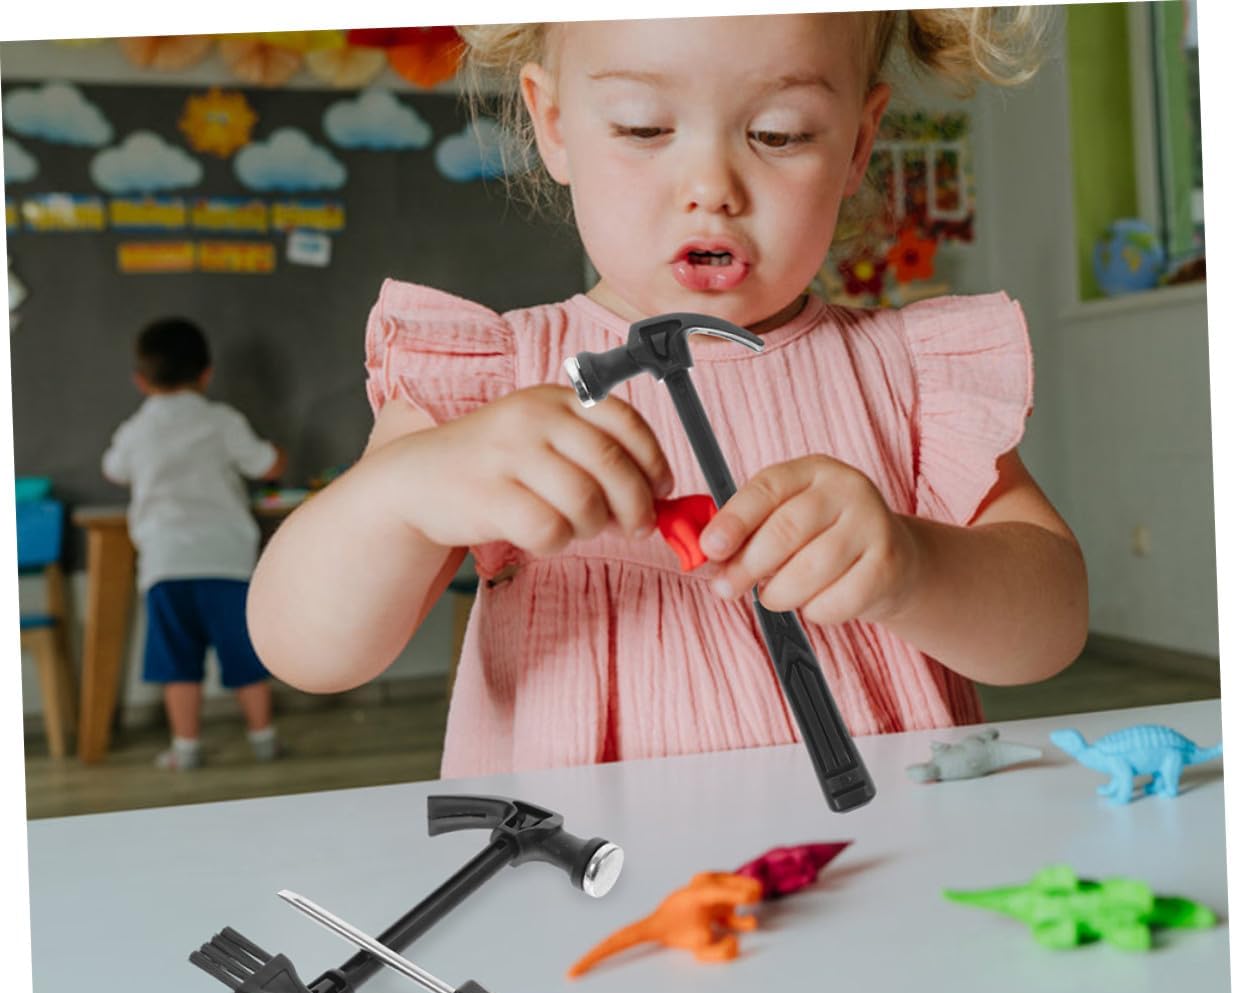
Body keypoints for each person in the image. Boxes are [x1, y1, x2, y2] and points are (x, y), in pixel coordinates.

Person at [248, 10, 1088, 779]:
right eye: (643, 127)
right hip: (595, 859)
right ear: (554, 125)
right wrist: (403, 493)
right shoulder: (492, 378)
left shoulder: (905, 372)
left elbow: (1049, 628)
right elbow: (308, 651)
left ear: (857, 143)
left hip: (887, 844)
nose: (711, 184)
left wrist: (915, 566)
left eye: (779, 133)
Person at [103, 317, 286, 770]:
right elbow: (265, 465)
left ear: (140, 380)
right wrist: (278, 456)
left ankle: (185, 748)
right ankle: (263, 738)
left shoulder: (135, 430)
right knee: (244, 652)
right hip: (226, 558)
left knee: (178, 662)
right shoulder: (222, 421)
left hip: (166, 563)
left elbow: (114, 469)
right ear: (206, 373)